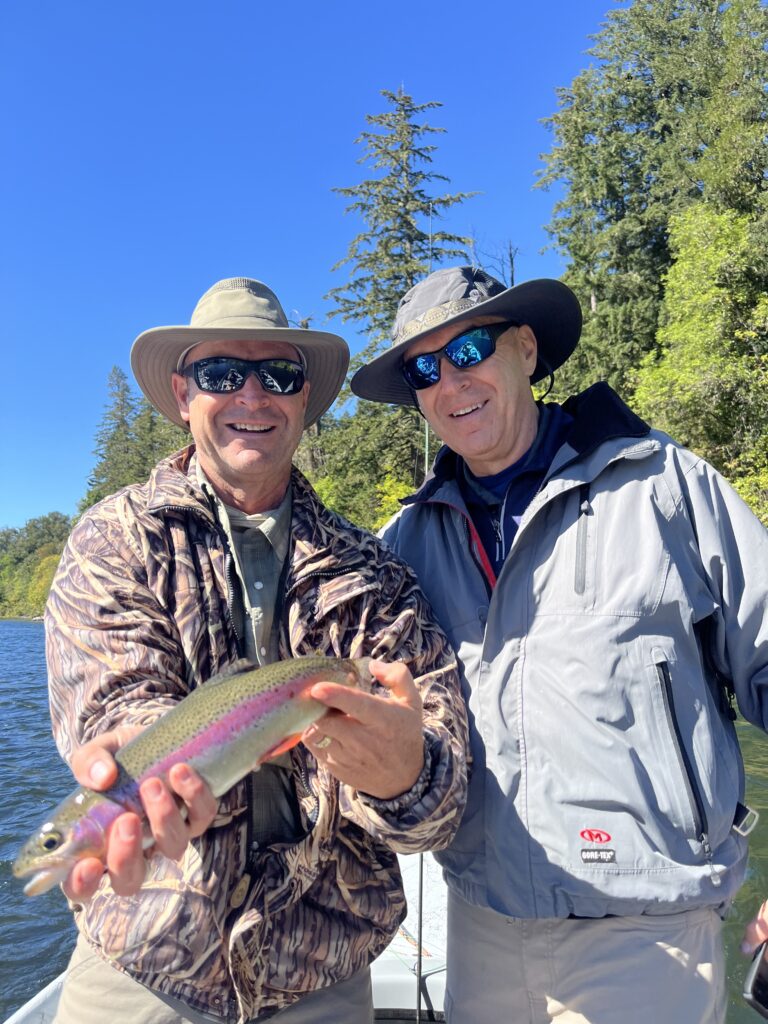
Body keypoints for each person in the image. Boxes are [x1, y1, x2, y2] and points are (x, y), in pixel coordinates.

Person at [350, 264, 768, 1024]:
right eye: (424, 368)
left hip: (650, 936)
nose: (451, 381)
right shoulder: (401, 545)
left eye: (471, 348)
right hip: (480, 932)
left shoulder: (666, 487)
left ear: (527, 350)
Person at [45, 276, 469, 1024]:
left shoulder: (380, 578)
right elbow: (118, 701)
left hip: (325, 979)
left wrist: (408, 774)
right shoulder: (111, 541)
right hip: (143, 963)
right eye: (219, 374)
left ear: (304, 400)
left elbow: (440, 811)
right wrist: (143, 759)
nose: (251, 395)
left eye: (277, 376)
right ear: (183, 395)